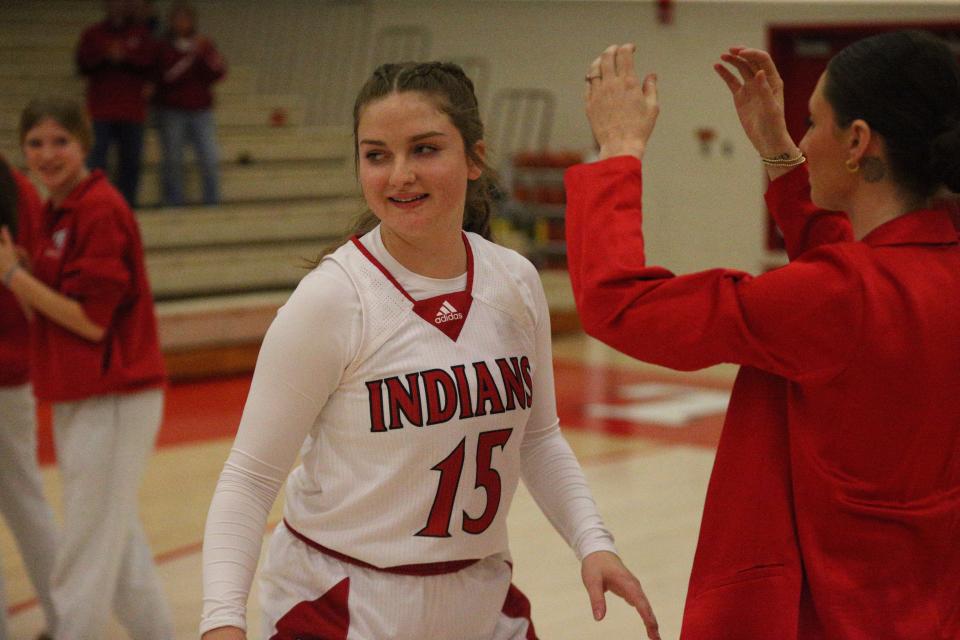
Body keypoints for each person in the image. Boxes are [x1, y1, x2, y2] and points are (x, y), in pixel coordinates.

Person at [200, 61, 661, 640]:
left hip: (480, 596)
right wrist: (221, 621)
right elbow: (249, 477)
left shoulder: (514, 281)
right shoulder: (333, 299)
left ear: (474, 159)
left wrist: (593, 543)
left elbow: (539, 439)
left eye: (424, 149)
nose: (399, 175)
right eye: (376, 155)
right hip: (343, 603)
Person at [566, 32, 960, 639]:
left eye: (810, 123)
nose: (803, 141)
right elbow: (860, 269)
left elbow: (618, 303)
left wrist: (617, 151)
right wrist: (775, 147)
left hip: (831, 616)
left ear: (856, 142)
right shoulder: (921, 271)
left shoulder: (837, 297)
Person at [0, 97, 173, 640]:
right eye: (35, 143)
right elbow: (47, 314)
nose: (47, 154)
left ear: (85, 143)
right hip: (78, 393)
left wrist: (13, 277)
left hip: (117, 393)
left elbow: (90, 322)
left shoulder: (98, 208)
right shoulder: (55, 209)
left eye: (60, 142)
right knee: (116, 544)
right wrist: (24, 276)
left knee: (87, 544)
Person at [0, 157, 58, 640]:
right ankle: (65, 617)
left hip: (8, 364)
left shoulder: (17, 188)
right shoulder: (21, 187)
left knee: (25, 499)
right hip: (15, 366)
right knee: (26, 499)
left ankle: (66, 618)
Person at [75, 0, 159, 207]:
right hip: (100, 109)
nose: (118, 6)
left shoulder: (141, 35)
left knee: (131, 163)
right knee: (96, 162)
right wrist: (105, 56)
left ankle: (126, 207)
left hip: (132, 110)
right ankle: (94, 205)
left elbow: (152, 63)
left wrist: (125, 56)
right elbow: (82, 64)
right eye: (113, 2)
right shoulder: (93, 34)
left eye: (122, 2)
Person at [155, 1, 226, 207]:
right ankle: (173, 203)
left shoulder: (204, 45)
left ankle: (212, 203)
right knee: (173, 159)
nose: (182, 23)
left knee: (209, 158)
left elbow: (218, 73)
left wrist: (204, 54)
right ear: (170, 22)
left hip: (201, 110)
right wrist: (189, 57)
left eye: (186, 18)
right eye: (178, 18)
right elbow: (166, 77)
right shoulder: (163, 47)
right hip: (172, 110)